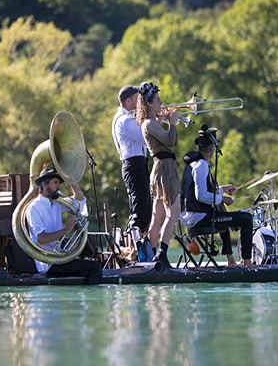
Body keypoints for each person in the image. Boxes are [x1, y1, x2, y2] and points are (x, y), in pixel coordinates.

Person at [180, 126, 253, 267]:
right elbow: (200, 195)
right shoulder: (201, 165)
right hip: (199, 218)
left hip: (193, 216)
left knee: (221, 215)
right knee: (246, 218)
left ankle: (231, 260)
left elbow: (200, 191)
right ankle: (247, 263)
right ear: (212, 149)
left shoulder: (193, 163)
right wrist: (222, 198)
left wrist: (222, 190)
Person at [25, 166, 102, 284]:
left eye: (59, 183)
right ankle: (91, 300)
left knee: (89, 251)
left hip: (58, 258)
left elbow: (80, 199)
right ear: (44, 185)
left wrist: (71, 180)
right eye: (55, 182)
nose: (58, 186)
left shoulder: (56, 204)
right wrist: (66, 229)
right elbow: (41, 238)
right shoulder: (34, 208)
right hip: (48, 264)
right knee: (94, 268)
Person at [135, 81, 180, 267]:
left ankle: (151, 257)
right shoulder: (149, 123)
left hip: (160, 167)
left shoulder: (152, 122)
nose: (161, 103)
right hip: (165, 168)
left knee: (158, 215)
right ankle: (161, 254)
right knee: (174, 212)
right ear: (149, 103)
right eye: (158, 100)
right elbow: (170, 142)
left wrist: (163, 120)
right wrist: (173, 124)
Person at [111, 84, 152, 234]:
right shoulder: (125, 120)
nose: (141, 102)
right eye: (138, 99)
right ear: (128, 101)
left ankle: (133, 242)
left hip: (137, 164)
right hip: (134, 164)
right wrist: (152, 118)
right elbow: (145, 137)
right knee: (140, 211)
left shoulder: (126, 118)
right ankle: (130, 243)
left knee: (144, 209)